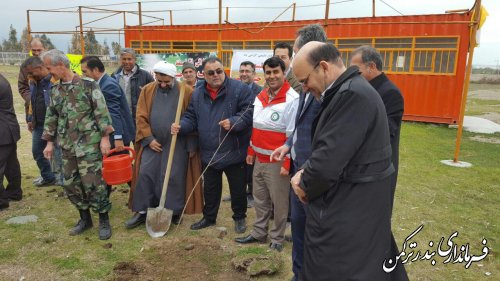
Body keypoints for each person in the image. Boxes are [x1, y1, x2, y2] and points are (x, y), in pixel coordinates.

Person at [290, 42, 407, 280]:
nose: (304, 89)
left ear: (323, 67)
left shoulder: (351, 95)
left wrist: (304, 181)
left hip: (349, 210)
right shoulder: (351, 90)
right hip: (356, 206)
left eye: (305, 81)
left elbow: (326, 165)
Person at [270, 23, 327, 281]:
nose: (292, 60)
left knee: (315, 236)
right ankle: (298, 274)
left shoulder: (327, 89)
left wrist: (308, 168)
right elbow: (301, 124)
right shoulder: (306, 84)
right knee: (300, 232)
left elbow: (327, 138)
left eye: (295, 52)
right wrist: (288, 145)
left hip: (314, 176)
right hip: (297, 171)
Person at [171, 57, 252, 234]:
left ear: (224, 71)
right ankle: (209, 217)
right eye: (211, 73)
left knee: (238, 188)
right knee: (211, 188)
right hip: (209, 152)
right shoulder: (198, 93)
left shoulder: (240, 89)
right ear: (204, 75)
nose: (216, 75)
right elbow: (191, 117)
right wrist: (182, 126)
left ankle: (239, 217)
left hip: (234, 150)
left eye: (219, 71)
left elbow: (248, 112)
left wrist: (233, 121)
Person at [41, 49, 114, 240]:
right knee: (71, 184)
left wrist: (105, 138)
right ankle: (85, 219)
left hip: (89, 145)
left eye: (50, 67)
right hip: (66, 146)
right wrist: (49, 143)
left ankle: (104, 219)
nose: (49, 72)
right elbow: (51, 117)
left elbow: (101, 112)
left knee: (94, 183)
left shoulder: (88, 85)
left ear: (61, 65)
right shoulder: (55, 90)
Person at [124, 61, 201, 228]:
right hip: (153, 142)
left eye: (167, 81)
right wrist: (148, 139)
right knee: (146, 173)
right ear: (156, 77)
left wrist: (190, 143)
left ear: (173, 77)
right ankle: (143, 211)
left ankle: (172, 211)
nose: (163, 85)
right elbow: (141, 116)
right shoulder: (148, 90)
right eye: (160, 81)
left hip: (177, 142)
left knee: (173, 176)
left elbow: (193, 117)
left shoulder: (186, 91)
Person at [235, 57, 298, 252]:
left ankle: (277, 238)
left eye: (275, 72)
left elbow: (292, 135)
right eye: (268, 73)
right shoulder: (261, 95)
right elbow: (256, 126)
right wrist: (251, 151)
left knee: (279, 203)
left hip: (277, 162)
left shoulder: (292, 99)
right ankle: (259, 233)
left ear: (283, 72)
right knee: (260, 199)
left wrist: (287, 164)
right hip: (259, 159)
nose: (271, 76)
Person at [350, 45, 404, 209]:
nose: (353, 73)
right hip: (361, 166)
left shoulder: (390, 93)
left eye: (356, 68)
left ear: (371, 66)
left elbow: (386, 132)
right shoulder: (361, 89)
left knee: (376, 214)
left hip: (378, 167)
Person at [80, 56, 135, 196]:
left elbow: (114, 114)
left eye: (85, 71)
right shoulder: (100, 83)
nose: (83, 75)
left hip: (116, 134)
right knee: (110, 166)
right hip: (112, 134)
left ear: (96, 70)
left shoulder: (107, 85)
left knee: (122, 167)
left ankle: (141, 196)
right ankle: (105, 195)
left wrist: (117, 137)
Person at [228, 61, 263, 208]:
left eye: (247, 71)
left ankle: (252, 194)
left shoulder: (260, 91)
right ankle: (238, 192)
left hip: (253, 133)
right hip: (237, 134)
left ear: (254, 74)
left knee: (251, 167)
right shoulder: (234, 90)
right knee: (238, 166)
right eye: (241, 71)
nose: (244, 74)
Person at [22, 56, 57, 187]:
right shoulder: (33, 81)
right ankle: (48, 177)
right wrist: (30, 119)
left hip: (54, 125)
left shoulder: (53, 82)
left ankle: (64, 182)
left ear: (40, 67)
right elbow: (32, 101)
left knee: (58, 155)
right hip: (38, 124)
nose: (29, 76)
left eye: (31, 72)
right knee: (37, 152)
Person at [112, 48, 154, 123]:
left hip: (138, 120)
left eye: (129, 59)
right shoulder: (114, 77)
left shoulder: (145, 76)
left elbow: (153, 97)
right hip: (120, 119)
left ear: (135, 59)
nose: (126, 62)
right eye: (124, 59)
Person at [0, 73, 23, 210]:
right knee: (10, 164)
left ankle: (2, 201)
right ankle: (14, 192)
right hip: (7, 130)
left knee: (9, 164)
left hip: (3, 131)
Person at [18, 38, 45, 116]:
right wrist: (32, 100)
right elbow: (22, 87)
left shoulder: (50, 63)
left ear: (44, 48)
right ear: (30, 49)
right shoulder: (26, 66)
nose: (36, 53)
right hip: (32, 110)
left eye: (39, 50)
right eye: (34, 50)